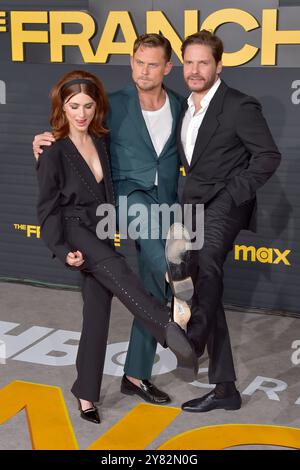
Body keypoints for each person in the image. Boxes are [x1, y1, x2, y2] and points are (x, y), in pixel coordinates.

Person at [33, 34, 192, 406]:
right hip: (127, 197)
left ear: (168, 67)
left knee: (140, 290)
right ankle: (173, 310)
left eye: (153, 64)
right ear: (132, 62)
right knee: (159, 261)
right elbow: (71, 129)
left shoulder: (181, 105)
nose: (144, 70)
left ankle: (133, 375)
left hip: (165, 198)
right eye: (139, 62)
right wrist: (41, 141)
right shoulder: (113, 105)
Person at [171, 30, 281, 412]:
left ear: (219, 65)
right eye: (189, 62)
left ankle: (195, 339)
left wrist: (234, 194)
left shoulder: (239, 105)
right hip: (190, 205)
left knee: (207, 264)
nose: (195, 70)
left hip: (225, 204)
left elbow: (267, 156)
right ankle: (225, 388)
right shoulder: (184, 107)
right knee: (186, 274)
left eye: (203, 62)